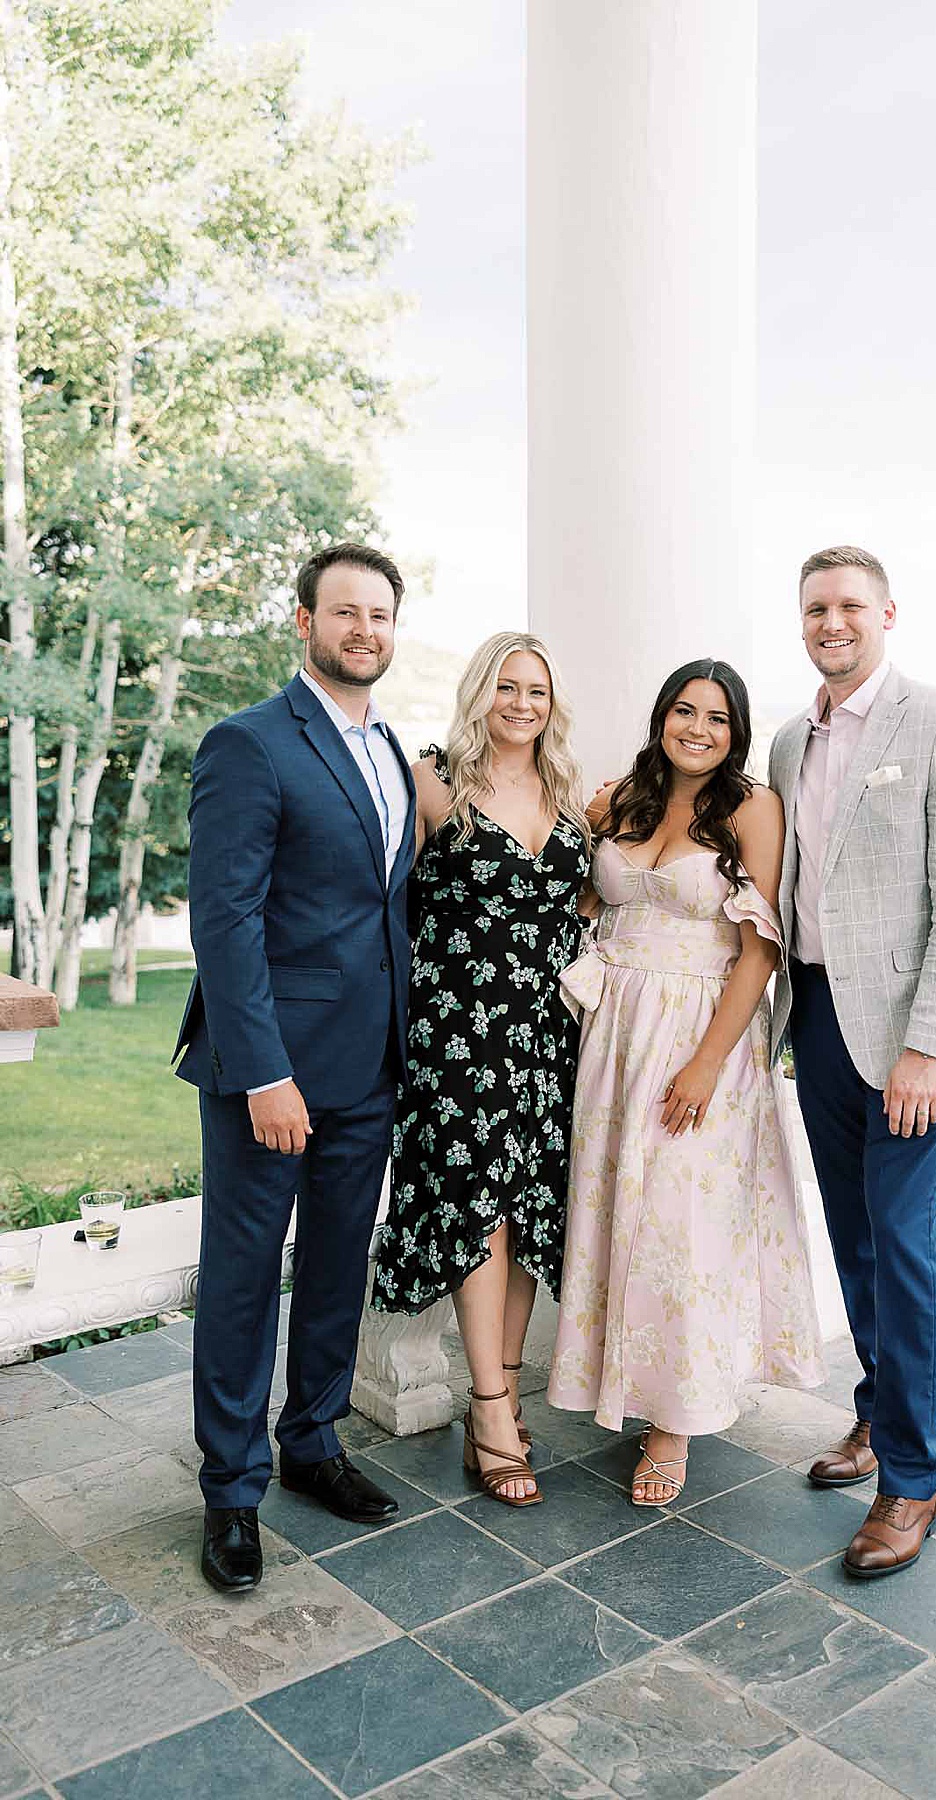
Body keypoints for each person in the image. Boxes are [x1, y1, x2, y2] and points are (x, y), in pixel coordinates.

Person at [174, 542, 416, 1592]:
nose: (365, 630)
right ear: (306, 623)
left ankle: (311, 1441)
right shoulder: (249, 743)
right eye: (346, 612)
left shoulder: (396, 751)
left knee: (331, 1267)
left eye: (381, 616)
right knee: (242, 1278)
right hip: (270, 1071)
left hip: (370, 1062)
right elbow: (224, 923)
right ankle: (232, 1490)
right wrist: (266, 1072)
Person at [769, 544, 936, 1578]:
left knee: (906, 1245)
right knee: (857, 1244)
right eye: (816, 607)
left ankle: (913, 1477)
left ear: (887, 614)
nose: (832, 622)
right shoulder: (788, 740)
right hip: (817, 1019)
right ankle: (876, 1413)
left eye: (850, 606)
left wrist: (925, 1050)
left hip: (913, 1038)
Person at [548, 659, 825, 1504]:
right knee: (611, 1205)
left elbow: (761, 946)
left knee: (681, 1224)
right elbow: (589, 898)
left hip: (702, 1032)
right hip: (616, 1034)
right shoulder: (621, 798)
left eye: (715, 717)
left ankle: (675, 1421)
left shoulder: (752, 809)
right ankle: (617, 1381)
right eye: (682, 711)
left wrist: (706, 1061)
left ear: (736, 731)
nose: (696, 728)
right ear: (661, 717)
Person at [371, 633, 590, 1507]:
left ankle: (491, 1393)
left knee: (536, 1209)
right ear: (480, 692)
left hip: (551, 1032)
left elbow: (592, 900)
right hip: (460, 1030)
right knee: (481, 1209)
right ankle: (494, 1410)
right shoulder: (432, 782)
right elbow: (384, 901)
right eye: (506, 685)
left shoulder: (575, 792)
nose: (522, 702)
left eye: (536, 688)